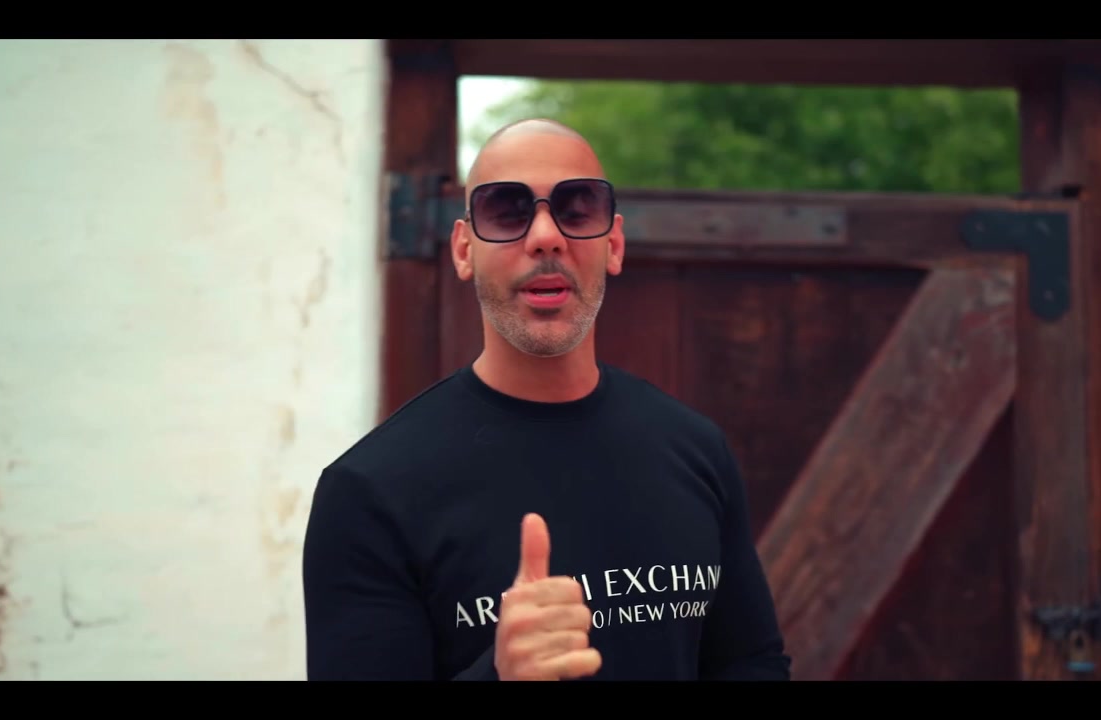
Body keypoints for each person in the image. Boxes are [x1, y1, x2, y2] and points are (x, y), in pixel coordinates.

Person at [301, 118, 791, 681]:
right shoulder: (368, 493)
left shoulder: (695, 449)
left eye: (576, 209)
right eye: (506, 212)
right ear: (464, 250)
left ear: (614, 245)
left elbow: (751, 663)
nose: (544, 236)